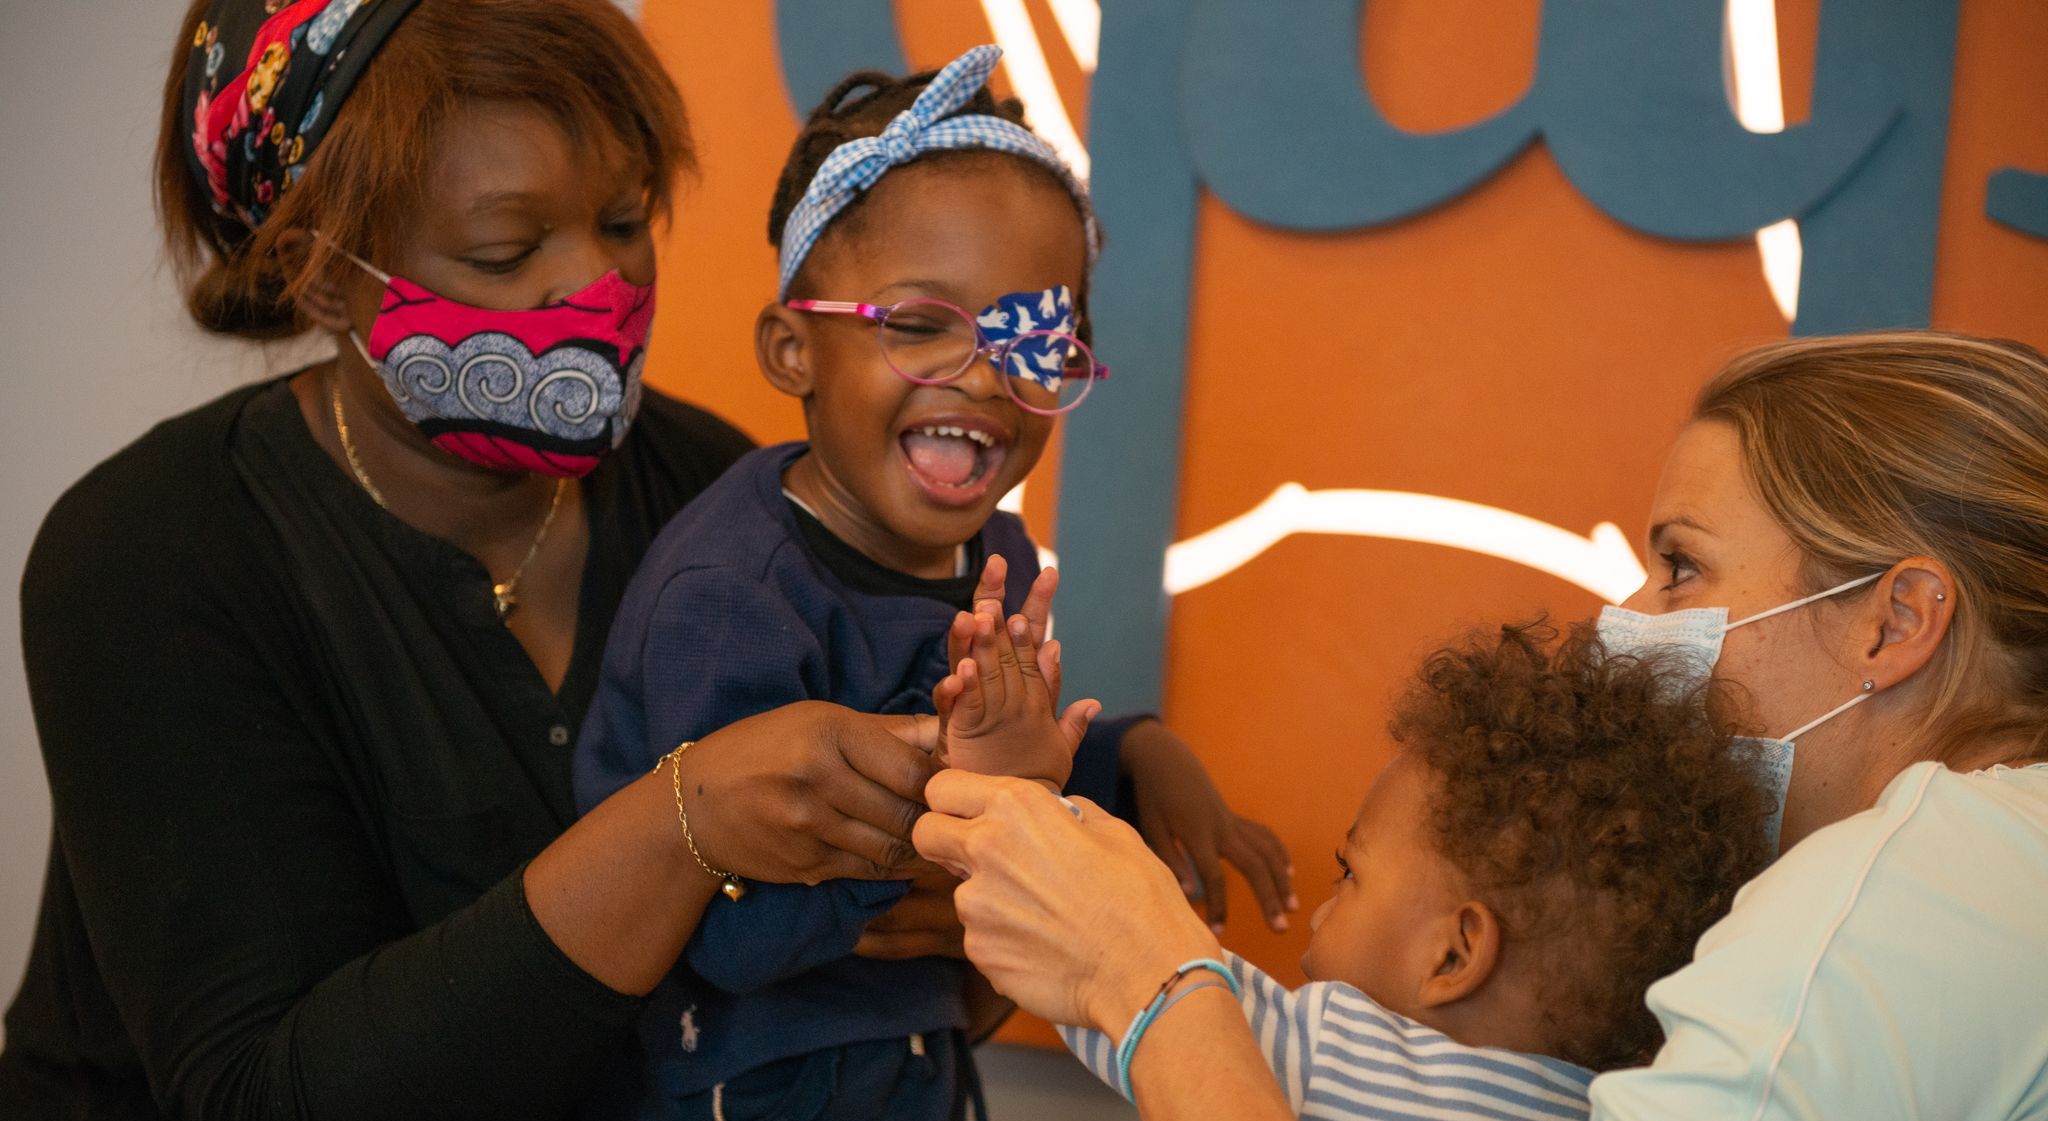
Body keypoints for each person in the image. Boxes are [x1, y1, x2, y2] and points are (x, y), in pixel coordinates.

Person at [0, 3, 960, 1119]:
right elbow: (257, 1090)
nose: (596, 284)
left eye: (622, 220)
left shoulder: (716, 491)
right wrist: (679, 826)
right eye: (507, 251)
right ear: (319, 272)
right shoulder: (153, 554)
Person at [916, 330, 2048, 1120]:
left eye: (1680, 566)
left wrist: (1149, 979)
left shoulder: (1877, 913)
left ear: (1896, 620)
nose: (1627, 617)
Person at [571, 45, 1290, 1120]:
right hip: (755, 1079)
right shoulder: (729, 596)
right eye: (917, 325)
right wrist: (949, 850)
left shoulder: (997, 556)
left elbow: (995, 742)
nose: (984, 373)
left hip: (919, 1057)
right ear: (792, 349)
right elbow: (726, 929)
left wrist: (1130, 757)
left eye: (1031, 338)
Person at [924, 621, 1769, 1119]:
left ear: (1453, 953)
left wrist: (1019, 789)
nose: (1323, 912)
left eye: (1348, 873)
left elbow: (1086, 948)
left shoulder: (1330, 1053)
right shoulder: (1607, 1100)